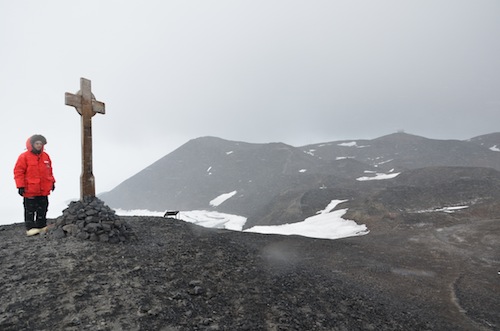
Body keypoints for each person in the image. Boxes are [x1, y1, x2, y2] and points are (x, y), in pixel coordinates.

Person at [14, 134, 56, 236]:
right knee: (30, 210)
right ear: (31, 144)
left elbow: (49, 171)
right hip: (30, 190)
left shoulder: (46, 156)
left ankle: (41, 226)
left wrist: (52, 182)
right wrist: (20, 186)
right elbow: (18, 172)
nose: (39, 145)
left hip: (43, 190)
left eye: (40, 144)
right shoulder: (24, 157)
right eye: (37, 143)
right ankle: (31, 229)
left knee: (43, 208)